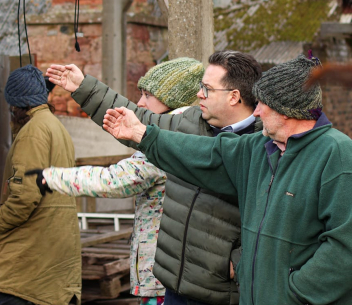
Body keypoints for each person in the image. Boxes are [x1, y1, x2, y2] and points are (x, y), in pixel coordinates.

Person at [101, 54, 352, 304]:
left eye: (263, 104)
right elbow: (198, 153)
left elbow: (344, 247)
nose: (256, 112)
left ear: (286, 110)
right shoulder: (260, 148)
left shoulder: (336, 154)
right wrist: (142, 134)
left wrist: (295, 293)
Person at [46, 51, 263, 305]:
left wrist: (240, 260)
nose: (199, 94)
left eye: (206, 88)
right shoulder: (190, 122)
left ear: (234, 97)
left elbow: (278, 216)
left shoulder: (263, 145)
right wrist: (84, 87)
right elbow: (141, 122)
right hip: (173, 286)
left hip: (219, 294)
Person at [27, 58, 205, 305]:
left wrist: (52, 178)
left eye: (148, 95)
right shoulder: (187, 132)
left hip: (163, 279)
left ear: (173, 99)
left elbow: (116, 180)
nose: (140, 103)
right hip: (171, 272)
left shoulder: (169, 141)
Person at [0, 65, 81, 305]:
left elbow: (25, 196)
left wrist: (0, 224)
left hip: (31, 250)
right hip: (52, 245)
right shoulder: (56, 127)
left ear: (16, 103)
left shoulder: (33, 132)